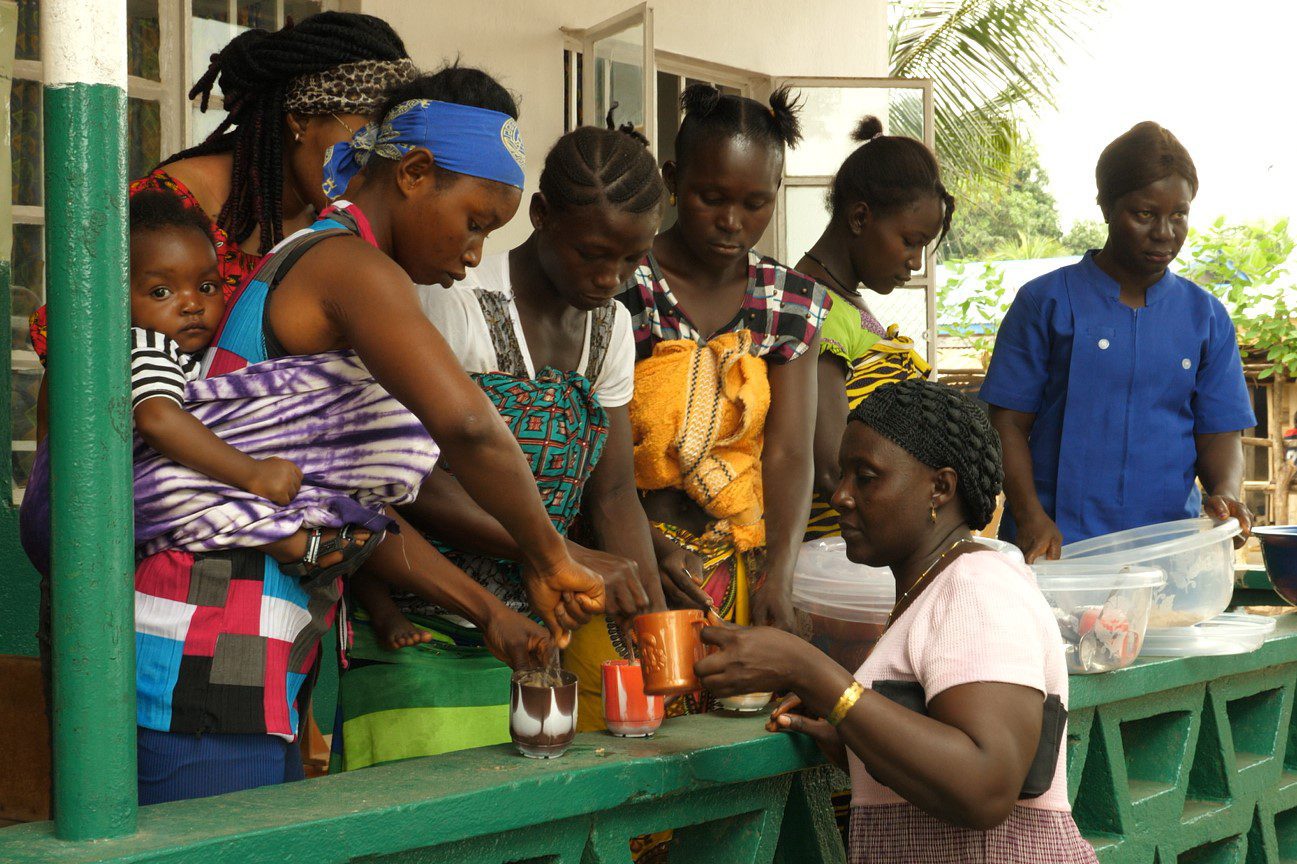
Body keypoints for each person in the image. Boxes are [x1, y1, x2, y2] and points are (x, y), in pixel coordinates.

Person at [25, 65, 606, 805]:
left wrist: (487, 609)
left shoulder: (318, 258)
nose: (473, 252)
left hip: (248, 659)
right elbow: (466, 426)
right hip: (204, 650)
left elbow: (343, 510)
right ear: (416, 173)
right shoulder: (347, 266)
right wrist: (549, 556)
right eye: (475, 222)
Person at [335, 122, 669, 766]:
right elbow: (411, 477)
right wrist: (556, 552)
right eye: (594, 254)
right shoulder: (448, 296)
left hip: (535, 632)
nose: (611, 278)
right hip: (422, 621)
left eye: (632, 260)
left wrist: (651, 629)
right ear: (541, 217)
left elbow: (616, 492)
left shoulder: (614, 329)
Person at [696, 379, 1097, 863]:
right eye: (842, 475)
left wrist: (813, 674)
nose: (840, 496)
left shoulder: (976, 587)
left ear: (941, 488)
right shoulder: (936, 586)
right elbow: (943, 757)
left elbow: (985, 788)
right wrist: (856, 745)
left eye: (865, 476)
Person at [31, 10, 417, 437]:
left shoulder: (331, 236)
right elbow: (73, 359)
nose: (375, 162)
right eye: (366, 138)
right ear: (301, 121)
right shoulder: (165, 210)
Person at [618, 84, 827, 670]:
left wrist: (779, 575)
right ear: (672, 180)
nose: (732, 222)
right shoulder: (622, 284)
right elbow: (594, 440)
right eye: (711, 197)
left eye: (756, 204)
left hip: (739, 567)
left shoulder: (789, 302)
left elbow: (788, 451)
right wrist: (639, 543)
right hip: (632, 562)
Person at [980, 122, 1256, 561]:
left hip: (1170, 552)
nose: (1165, 232)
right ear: (1107, 207)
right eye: (1145, 214)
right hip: (1058, 545)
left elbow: (1220, 432)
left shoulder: (1205, 317)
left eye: (1179, 214)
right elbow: (1008, 424)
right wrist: (1031, 517)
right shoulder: (1045, 302)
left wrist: (1225, 495)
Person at [127, 189, 383, 581]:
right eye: (161, 292)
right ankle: (294, 544)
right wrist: (253, 474)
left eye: (207, 287)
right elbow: (157, 420)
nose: (191, 304)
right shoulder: (145, 345)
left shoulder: (195, 351)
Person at [797, 116, 952, 541]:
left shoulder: (845, 299)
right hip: (836, 548)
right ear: (861, 218)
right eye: (910, 241)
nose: (916, 261)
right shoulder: (817, 307)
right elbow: (832, 467)